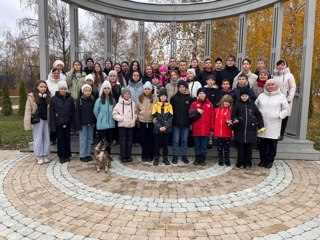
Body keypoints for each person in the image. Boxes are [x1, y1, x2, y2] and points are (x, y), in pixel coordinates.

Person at [256, 79, 289, 168]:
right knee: (262, 144)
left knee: (272, 144)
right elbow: (255, 107)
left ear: (276, 86)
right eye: (268, 85)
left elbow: (286, 109)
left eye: (272, 84)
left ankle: (270, 160)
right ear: (265, 86)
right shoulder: (261, 96)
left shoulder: (281, 96)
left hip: (274, 123)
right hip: (262, 124)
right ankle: (262, 160)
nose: (270, 86)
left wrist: (279, 116)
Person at [231, 88, 264, 168]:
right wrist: (234, 119)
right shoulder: (237, 105)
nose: (244, 97)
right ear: (240, 96)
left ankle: (248, 163)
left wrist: (260, 126)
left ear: (248, 96)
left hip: (251, 130)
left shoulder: (252, 105)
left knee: (249, 148)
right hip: (240, 130)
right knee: (240, 148)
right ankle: (240, 163)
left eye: (246, 96)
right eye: (243, 96)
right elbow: (233, 115)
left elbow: (259, 115)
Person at [24, 80, 51, 165]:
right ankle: (38, 156)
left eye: (45, 87)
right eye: (41, 86)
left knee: (46, 138)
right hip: (37, 120)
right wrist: (27, 124)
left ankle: (45, 154)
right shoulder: (31, 97)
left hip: (46, 120)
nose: (43, 88)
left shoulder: (48, 97)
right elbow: (27, 111)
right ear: (37, 87)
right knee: (38, 138)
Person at [50, 81, 75, 164]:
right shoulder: (54, 99)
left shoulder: (70, 98)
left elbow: (73, 111)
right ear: (59, 89)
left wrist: (72, 124)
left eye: (65, 89)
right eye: (62, 89)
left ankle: (67, 155)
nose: (63, 90)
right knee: (60, 141)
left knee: (67, 139)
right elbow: (52, 112)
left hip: (67, 122)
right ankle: (61, 156)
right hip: (59, 123)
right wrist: (53, 125)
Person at [272, 59, 296, 140]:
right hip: (276, 99)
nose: (280, 66)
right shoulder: (274, 75)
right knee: (276, 115)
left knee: (284, 116)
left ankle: (281, 134)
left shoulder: (289, 75)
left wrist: (289, 98)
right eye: (278, 65)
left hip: (286, 99)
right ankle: (275, 132)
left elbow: (293, 87)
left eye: (282, 65)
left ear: (285, 66)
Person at [189, 87, 214, 166]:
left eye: (203, 93)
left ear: (206, 95)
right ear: (198, 95)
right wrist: (196, 110)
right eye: (200, 93)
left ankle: (203, 158)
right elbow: (190, 115)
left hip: (206, 129)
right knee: (197, 145)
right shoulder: (194, 104)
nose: (202, 95)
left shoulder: (210, 104)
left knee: (204, 145)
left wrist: (211, 128)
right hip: (197, 128)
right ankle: (197, 158)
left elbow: (212, 117)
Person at [170, 80, 193, 164]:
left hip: (186, 124)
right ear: (178, 88)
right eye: (180, 87)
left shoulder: (189, 98)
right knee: (175, 140)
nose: (182, 88)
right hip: (176, 123)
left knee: (184, 140)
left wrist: (190, 123)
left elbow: (191, 112)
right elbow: (171, 111)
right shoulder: (174, 98)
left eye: (183, 87)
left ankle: (184, 156)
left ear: (185, 88)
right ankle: (175, 156)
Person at [113, 87, 138, 163]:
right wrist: (121, 118)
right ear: (123, 95)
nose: (127, 95)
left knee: (129, 141)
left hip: (130, 125)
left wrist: (134, 118)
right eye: (125, 94)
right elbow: (114, 114)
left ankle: (128, 155)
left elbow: (136, 112)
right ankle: (123, 156)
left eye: (128, 94)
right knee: (123, 141)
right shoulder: (119, 104)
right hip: (122, 125)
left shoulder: (133, 103)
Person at [94, 81, 116, 157]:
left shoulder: (112, 100)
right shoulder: (99, 100)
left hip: (111, 125)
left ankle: (108, 156)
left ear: (110, 89)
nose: (106, 90)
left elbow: (114, 111)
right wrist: (100, 118)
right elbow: (95, 111)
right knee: (103, 142)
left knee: (109, 142)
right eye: (105, 88)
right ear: (103, 89)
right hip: (102, 125)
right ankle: (101, 156)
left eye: (108, 88)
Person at [137, 82, 157, 162]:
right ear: (143, 90)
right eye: (145, 89)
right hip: (142, 121)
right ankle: (144, 154)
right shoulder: (140, 98)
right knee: (144, 139)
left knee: (150, 139)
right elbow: (137, 109)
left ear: (151, 90)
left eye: (148, 89)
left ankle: (150, 155)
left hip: (151, 121)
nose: (147, 91)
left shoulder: (155, 98)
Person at [152, 89, 173, 166]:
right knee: (156, 144)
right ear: (159, 97)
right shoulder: (155, 106)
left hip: (166, 130)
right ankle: (156, 158)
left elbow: (171, 118)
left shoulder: (170, 106)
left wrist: (165, 127)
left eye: (164, 96)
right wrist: (159, 126)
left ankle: (165, 158)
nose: (163, 97)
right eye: (162, 96)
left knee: (165, 145)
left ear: (166, 97)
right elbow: (153, 117)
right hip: (157, 130)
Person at [75, 84, 96, 162]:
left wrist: (94, 122)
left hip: (90, 122)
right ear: (83, 91)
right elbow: (77, 114)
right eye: (86, 90)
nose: (88, 92)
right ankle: (82, 155)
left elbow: (94, 112)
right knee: (83, 139)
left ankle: (88, 154)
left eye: (89, 91)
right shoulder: (79, 101)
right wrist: (78, 125)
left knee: (90, 139)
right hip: (82, 123)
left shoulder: (92, 100)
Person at [213, 95, 233, 166]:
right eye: (225, 101)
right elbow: (213, 120)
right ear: (222, 101)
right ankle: (220, 158)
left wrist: (230, 122)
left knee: (226, 147)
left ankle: (227, 158)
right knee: (219, 146)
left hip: (227, 132)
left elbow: (232, 121)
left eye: (228, 102)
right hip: (218, 132)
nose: (227, 103)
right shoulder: (216, 110)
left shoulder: (230, 111)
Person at [46, 68, 63, 145]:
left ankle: (57, 138)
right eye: (54, 73)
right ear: (51, 73)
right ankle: (50, 139)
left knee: (58, 122)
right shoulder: (47, 83)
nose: (56, 75)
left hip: (59, 105)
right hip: (50, 105)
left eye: (57, 73)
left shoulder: (61, 82)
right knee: (50, 122)